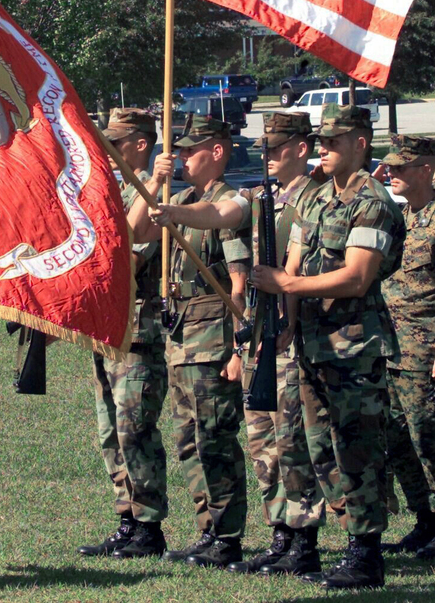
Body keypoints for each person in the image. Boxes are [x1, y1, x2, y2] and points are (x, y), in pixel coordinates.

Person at [151, 111, 328, 577]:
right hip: (261, 334)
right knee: (263, 442)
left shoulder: (311, 198)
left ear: (301, 148)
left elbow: (228, 247)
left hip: (297, 332)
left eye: (274, 148)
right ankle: (280, 536)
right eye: (264, 148)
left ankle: (302, 538)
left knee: (292, 442)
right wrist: (172, 208)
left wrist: (233, 345)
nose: (266, 155)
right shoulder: (258, 197)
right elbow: (218, 217)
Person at [250, 104, 405, 589]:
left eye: (334, 141)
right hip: (313, 346)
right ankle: (328, 544)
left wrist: (286, 288)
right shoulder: (317, 200)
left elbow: (357, 278)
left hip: (354, 348)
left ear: (361, 142)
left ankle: (366, 553)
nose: (324, 148)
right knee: (319, 451)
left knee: (357, 450)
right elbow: (294, 262)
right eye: (321, 140)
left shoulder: (372, 200)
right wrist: (285, 322)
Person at [128, 115, 251, 569]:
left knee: (214, 437)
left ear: (216, 152)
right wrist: (156, 186)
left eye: (188, 151)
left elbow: (238, 283)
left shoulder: (230, 200)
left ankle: (226, 534)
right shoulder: (179, 198)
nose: (180, 157)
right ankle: (208, 530)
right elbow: (135, 233)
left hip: (213, 337)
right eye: (176, 151)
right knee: (189, 439)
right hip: (180, 336)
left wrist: (240, 348)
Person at [78, 109, 169, 559]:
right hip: (106, 329)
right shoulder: (110, 191)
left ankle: (150, 526)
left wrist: (150, 187)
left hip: (139, 333)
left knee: (135, 431)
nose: (109, 151)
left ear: (140, 144)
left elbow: (128, 253)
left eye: (117, 142)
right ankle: (127, 519)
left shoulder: (156, 191)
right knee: (109, 433)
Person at [380, 135, 435, 558]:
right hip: (392, 349)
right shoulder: (400, 218)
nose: (392, 172)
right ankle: (425, 518)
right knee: (395, 438)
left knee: (430, 435)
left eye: (401, 167)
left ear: (425, 170)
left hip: (428, 351)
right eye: (390, 166)